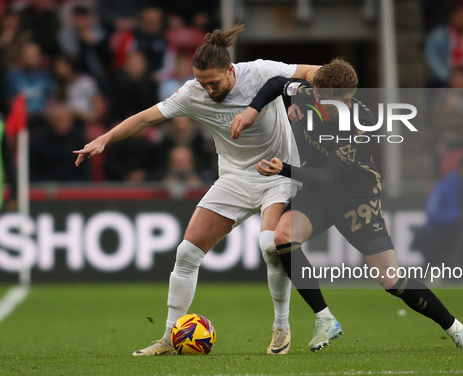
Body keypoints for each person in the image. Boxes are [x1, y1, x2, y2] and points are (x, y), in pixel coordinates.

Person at [74, 24, 320, 356]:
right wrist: (104, 138)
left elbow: (311, 72)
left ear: (231, 71)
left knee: (269, 246)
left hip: (277, 176)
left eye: (213, 83)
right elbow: (146, 119)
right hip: (233, 179)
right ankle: (168, 337)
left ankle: (281, 327)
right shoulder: (192, 92)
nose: (207, 89)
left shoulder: (262, 72)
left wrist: (328, 88)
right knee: (187, 254)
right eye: (201, 82)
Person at [229, 59, 463, 352]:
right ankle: (324, 318)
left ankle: (456, 328)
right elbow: (277, 84)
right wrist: (255, 109)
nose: (318, 102)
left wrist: (282, 169)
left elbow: (329, 175)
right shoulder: (317, 92)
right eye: (316, 95)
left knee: (391, 279)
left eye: (325, 99)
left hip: (356, 198)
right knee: (282, 237)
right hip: (317, 196)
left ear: (346, 100)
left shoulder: (363, 127)